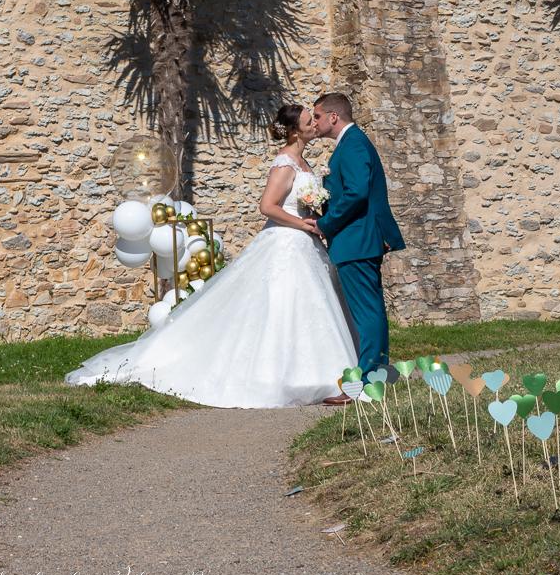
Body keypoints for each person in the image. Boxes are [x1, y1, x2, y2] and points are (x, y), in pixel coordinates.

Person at [65, 104, 359, 408]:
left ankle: (320, 373)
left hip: (304, 244)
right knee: (283, 304)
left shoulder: (303, 162)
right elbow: (267, 206)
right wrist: (303, 223)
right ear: (295, 130)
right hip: (287, 242)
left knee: (309, 306)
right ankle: (277, 377)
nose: (315, 125)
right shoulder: (285, 164)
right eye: (309, 122)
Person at [308, 93, 405, 396]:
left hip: (356, 239)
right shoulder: (351, 144)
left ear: (333, 117)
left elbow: (356, 193)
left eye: (318, 116)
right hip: (356, 239)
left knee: (367, 312)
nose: (315, 122)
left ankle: (367, 383)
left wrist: (325, 223)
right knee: (369, 309)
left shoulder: (352, 144)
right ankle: (377, 377)